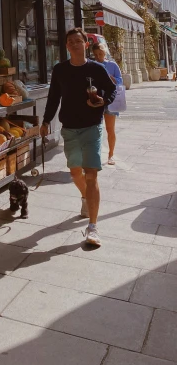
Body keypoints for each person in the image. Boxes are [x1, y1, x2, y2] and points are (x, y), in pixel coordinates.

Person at [40, 27, 117, 247]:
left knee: (91, 175)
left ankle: (93, 227)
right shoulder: (60, 70)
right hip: (69, 128)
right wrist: (45, 122)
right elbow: (54, 97)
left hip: (92, 127)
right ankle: (86, 198)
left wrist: (103, 100)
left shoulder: (97, 68)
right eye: (70, 41)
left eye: (78, 41)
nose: (74, 44)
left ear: (85, 44)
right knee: (75, 174)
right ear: (66, 46)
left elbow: (112, 89)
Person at [92, 42, 123, 165]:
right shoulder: (92, 65)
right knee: (95, 129)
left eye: (100, 54)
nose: (98, 57)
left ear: (105, 52)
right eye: (96, 55)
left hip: (111, 100)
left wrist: (110, 78)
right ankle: (96, 155)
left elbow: (120, 81)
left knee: (110, 129)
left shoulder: (112, 65)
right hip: (97, 99)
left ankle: (111, 155)